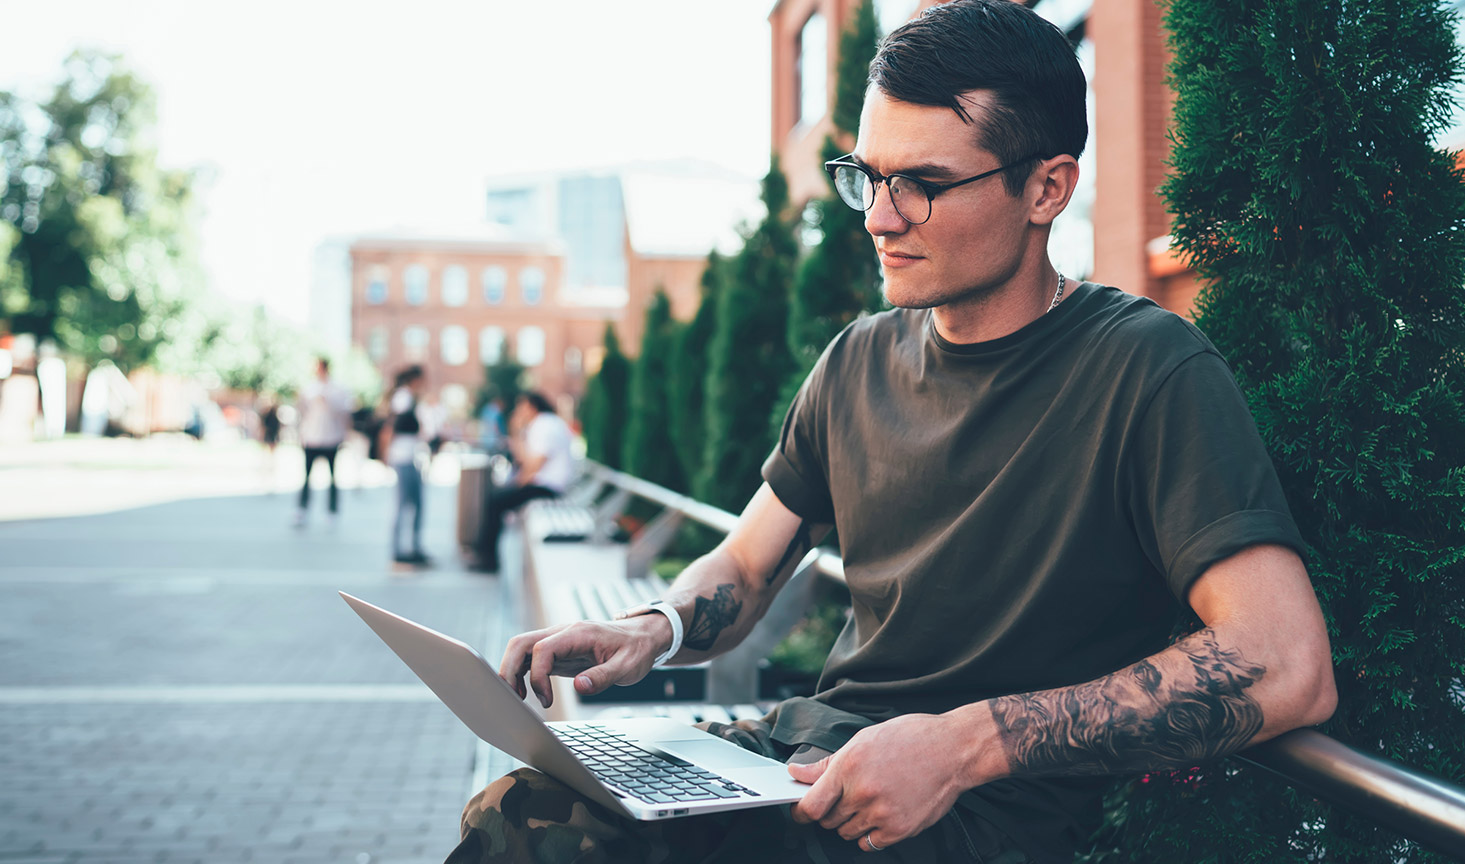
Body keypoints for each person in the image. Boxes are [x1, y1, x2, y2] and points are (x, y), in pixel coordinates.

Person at [450, 3, 1337, 862]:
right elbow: (750, 565)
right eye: (869, 177)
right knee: (519, 813)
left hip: (974, 818)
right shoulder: (856, 360)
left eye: (923, 184)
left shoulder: (1148, 368)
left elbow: (1284, 660)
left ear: (1047, 188)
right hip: (802, 766)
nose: (878, 216)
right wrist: (655, 628)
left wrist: (961, 747)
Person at [467, 391, 574, 573]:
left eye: (520, 407)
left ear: (531, 406)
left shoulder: (545, 425)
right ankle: (485, 555)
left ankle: (488, 559)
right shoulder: (544, 423)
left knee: (496, 502)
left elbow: (532, 465)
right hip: (543, 484)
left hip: (547, 487)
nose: (517, 411)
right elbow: (526, 464)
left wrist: (515, 432)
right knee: (498, 499)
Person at [380, 365, 431, 567]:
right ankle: (399, 549)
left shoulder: (409, 397)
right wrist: (385, 452)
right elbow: (392, 425)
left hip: (410, 456)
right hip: (403, 456)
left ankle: (412, 547)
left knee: (416, 504)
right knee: (404, 504)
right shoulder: (403, 397)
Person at [294, 358, 354, 527]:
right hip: (311, 438)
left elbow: (345, 412)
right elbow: (302, 410)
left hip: (331, 438)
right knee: (307, 476)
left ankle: (332, 511)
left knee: (333, 477)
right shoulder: (309, 388)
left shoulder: (338, 388)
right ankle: (302, 509)